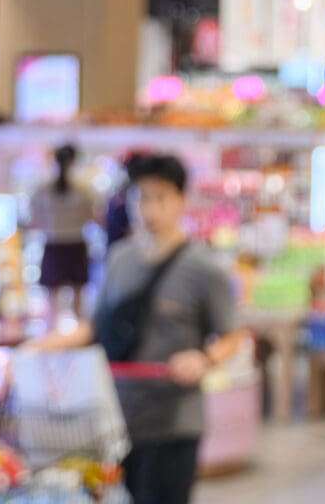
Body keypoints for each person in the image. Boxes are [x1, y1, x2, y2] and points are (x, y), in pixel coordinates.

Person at [40, 153, 246, 504]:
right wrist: (39, 349)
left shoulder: (204, 267)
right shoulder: (120, 258)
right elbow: (95, 327)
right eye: (141, 198)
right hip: (116, 420)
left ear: (181, 200)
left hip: (175, 422)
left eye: (160, 198)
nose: (150, 209)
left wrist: (204, 359)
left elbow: (232, 335)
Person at [29, 143, 95, 324]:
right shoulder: (84, 190)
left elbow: (34, 219)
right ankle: (77, 342)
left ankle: (53, 340)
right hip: (76, 243)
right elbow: (92, 217)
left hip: (54, 243)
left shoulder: (42, 189)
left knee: (52, 304)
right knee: (78, 304)